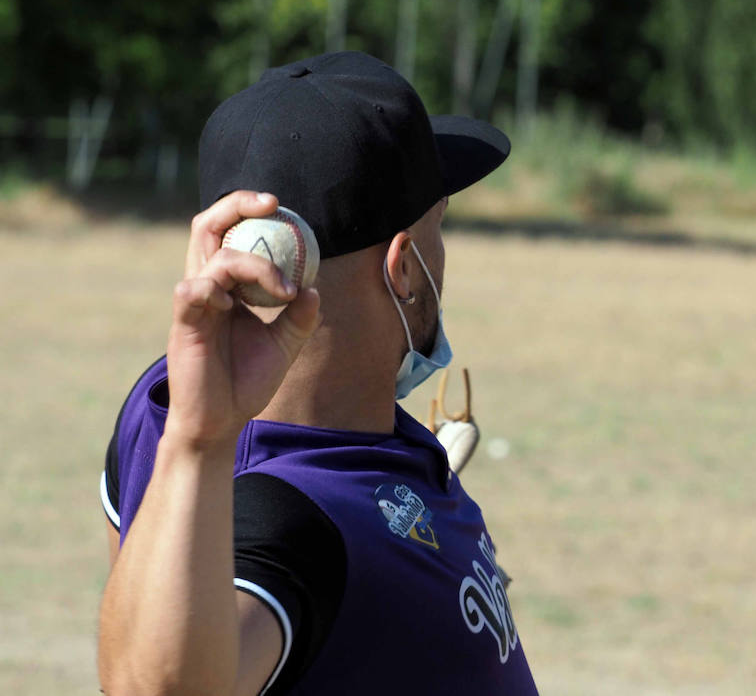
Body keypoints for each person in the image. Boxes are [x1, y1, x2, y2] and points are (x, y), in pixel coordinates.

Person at [97, 51, 539, 694]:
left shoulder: (162, 400)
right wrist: (201, 443)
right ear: (404, 266)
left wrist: (413, 517)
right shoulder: (289, 518)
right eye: (438, 225)